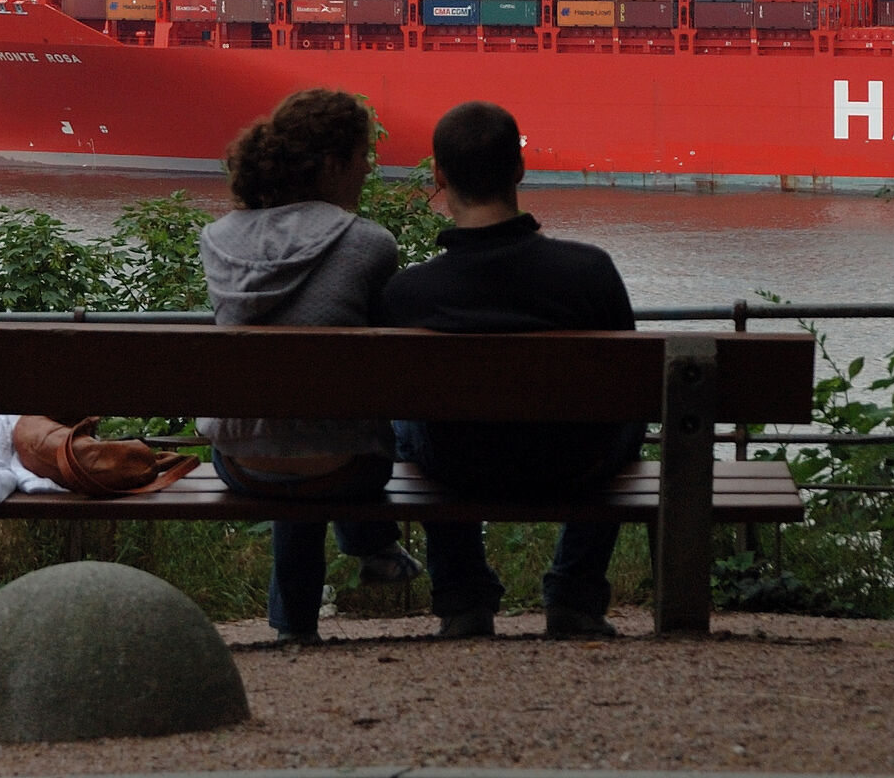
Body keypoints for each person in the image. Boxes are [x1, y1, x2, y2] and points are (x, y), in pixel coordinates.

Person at [380, 99, 643, 640]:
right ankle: (574, 594)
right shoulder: (589, 270)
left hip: (457, 466)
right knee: (628, 407)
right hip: (575, 464)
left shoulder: (411, 291)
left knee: (412, 423)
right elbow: (632, 388)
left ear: (439, 173)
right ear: (520, 169)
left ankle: (464, 599)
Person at [198, 87, 423, 644]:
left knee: (287, 431)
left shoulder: (219, 238)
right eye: (363, 155)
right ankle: (369, 545)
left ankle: (294, 627)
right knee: (323, 437)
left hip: (240, 459)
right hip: (345, 468)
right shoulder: (370, 244)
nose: (370, 167)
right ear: (332, 164)